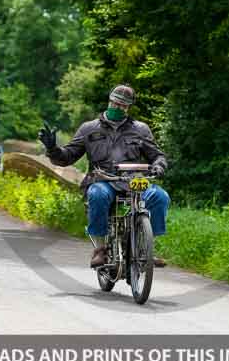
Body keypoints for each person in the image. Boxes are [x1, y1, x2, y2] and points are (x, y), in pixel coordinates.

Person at [38, 84, 170, 268]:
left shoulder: (141, 129)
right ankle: (100, 249)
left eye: (123, 105)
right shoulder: (89, 129)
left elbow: (157, 155)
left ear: (129, 107)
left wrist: (158, 165)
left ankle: (146, 249)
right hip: (103, 180)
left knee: (160, 196)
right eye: (116, 103)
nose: (118, 107)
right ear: (109, 101)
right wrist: (52, 149)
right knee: (97, 194)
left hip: (133, 181)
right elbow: (67, 156)